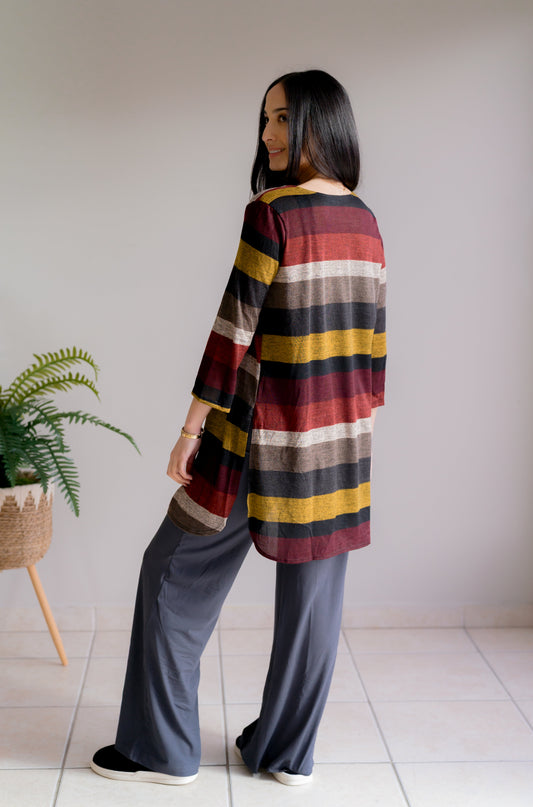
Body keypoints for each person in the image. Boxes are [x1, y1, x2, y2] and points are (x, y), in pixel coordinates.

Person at [91, 69, 386, 787]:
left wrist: (190, 428)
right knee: (314, 605)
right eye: (265, 119)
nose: (268, 134)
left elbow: (233, 330)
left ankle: (161, 751)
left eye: (282, 118)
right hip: (340, 439)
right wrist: (356, 421)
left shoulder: (272, 212)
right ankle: (286, 754)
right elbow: (372, 341)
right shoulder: (365, 219)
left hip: (260, 436)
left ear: (320, 121)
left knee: (171, 572)